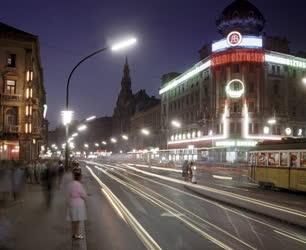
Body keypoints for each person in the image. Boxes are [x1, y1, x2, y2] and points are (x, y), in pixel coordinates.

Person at [66, 167, 87, 240]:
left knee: (73, 221)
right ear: (79, 177)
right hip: (78, 205)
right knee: (77, 221)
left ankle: (73, 234)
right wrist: (85, 198)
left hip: (71, 203)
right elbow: (83, 195)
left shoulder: (71, 184)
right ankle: (77, 234)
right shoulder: (79, 185)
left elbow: (68, 193)